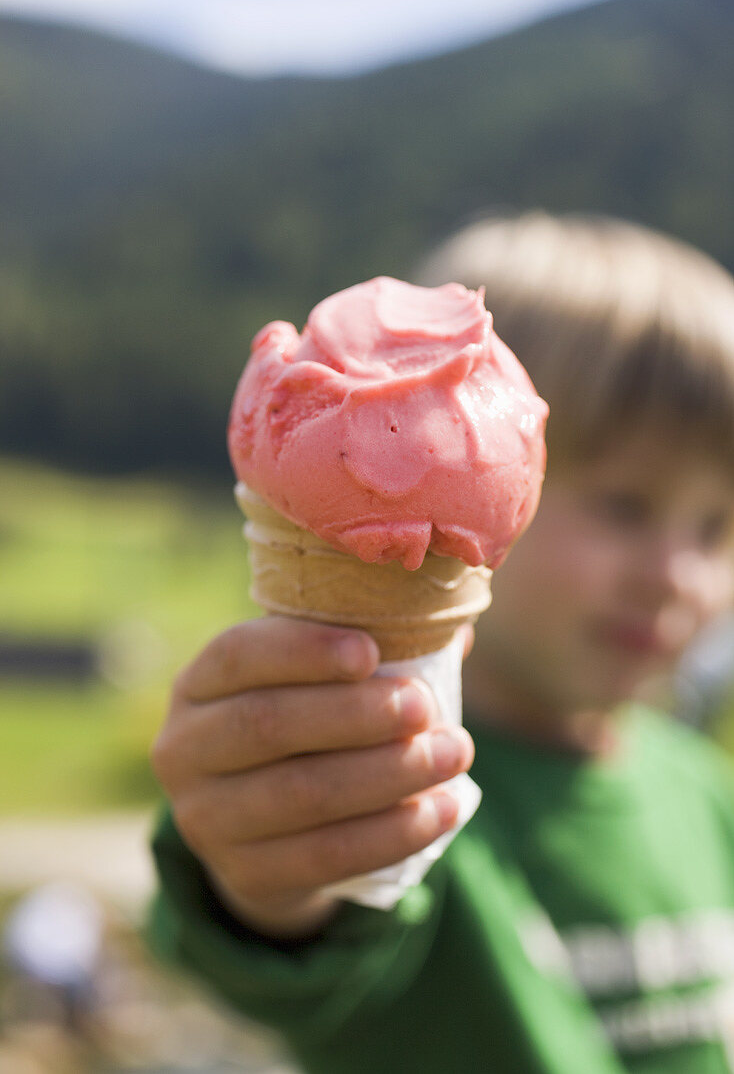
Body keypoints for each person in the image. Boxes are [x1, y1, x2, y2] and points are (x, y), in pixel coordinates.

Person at [149, 213, 734, 1073]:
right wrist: (267, 880)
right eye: (625, 505)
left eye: (716, 525)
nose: (676, 573)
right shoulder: (385, 779)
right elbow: (312, 949)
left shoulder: (707, 793)